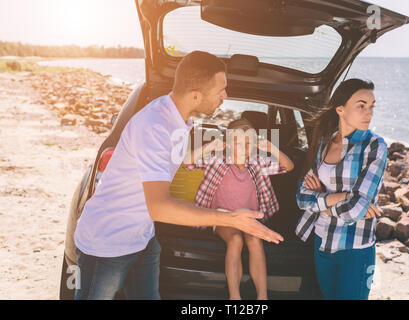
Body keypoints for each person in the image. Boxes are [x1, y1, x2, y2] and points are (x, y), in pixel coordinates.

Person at [73, 51, 284, 300]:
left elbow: (167, 163)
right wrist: (231, 219)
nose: (225, 96)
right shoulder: (154, 126)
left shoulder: (179, 120)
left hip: (142, 237)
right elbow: (159, 207)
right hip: (107, 242)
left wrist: (208, 150)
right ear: (195, 95)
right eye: (221, 90)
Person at [295, 78, 387, 300]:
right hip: (322, 240)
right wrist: (343, 196)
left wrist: (321, 201)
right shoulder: (324, 142)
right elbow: (301, 197)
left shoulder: (375, 146)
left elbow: (355, 210)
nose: (369, 113)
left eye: (372, 106)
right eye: (361, 105)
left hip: (354, 247)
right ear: (340, 109)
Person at [183, 118, 294, 300]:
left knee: (255, 241)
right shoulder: (217, 160)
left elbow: (289, 166)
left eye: (248, 142)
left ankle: (262, 297)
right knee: (235, 240)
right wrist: (211, 146)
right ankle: (235, 297)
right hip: (223, 218)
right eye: (237, 143)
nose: (243, 148)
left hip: (250, 220)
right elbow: (186, 163)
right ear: (227, 144)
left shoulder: (258, 162)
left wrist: (271, 148)